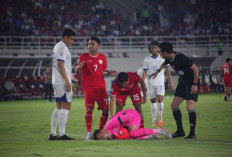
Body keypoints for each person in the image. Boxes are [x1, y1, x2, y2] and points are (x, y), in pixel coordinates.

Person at [149, 42, 199, 139]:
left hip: (192, 82)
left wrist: (195, 84)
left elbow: (196, 69)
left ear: (166, 52)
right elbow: (165, 63)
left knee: (189, 106)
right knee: (174, 105)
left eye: (160, 52)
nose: (159, 54)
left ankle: (192, 133)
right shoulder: (168, 58)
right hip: (183, 82)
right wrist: (157, 71)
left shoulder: (181, 57)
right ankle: (180, 131)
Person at [75, 36, 117, 140]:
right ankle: (89, 133)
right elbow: (76, 71)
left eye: (92, 44)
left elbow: (103, 72)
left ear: (98, 46)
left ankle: (99, 131)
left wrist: (109, 73)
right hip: (88, 87)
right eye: (89, 44)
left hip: (100, 87)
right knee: (89, 109)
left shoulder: (103, 57)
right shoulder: (83, 57)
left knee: (105, 110)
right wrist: (78, 69)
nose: (90, 46)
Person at [49, 28, 76, 140]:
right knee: (66, 105)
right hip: (61, 81)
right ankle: (62, 134)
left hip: (56, 80)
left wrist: (70, 76)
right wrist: (66, 80)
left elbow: (61, 65)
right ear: (65, 37)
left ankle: (53, 134)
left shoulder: (57, 46)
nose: (72, 41)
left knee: (59, 106)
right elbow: (60, 64)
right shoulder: (62, 48)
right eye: (71, 39)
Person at [142, 41, 173, 127]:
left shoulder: (163, 58)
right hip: (150, 83)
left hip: (160, 83)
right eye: (152, 48)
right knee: (153, 101)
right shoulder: (147, 59)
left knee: (160, 99)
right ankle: (154, 120)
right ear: (150, 49)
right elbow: (144, 72)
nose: (154, 50)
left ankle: (160, 117)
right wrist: (141, 82)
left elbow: (167, 71)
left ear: (158, 49)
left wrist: (171, 82)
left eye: (155, 48)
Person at [93, 109, 172, 140]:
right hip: (127, 123)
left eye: (101, 137)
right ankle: (152, 136)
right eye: (101, 139)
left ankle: (160, 130)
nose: (103, 139)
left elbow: (128, 117)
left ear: (102, 131)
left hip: (131, 115)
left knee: (133, 133)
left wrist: (127, 128)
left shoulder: (110, 125)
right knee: (131, 137)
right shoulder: (113, 137)